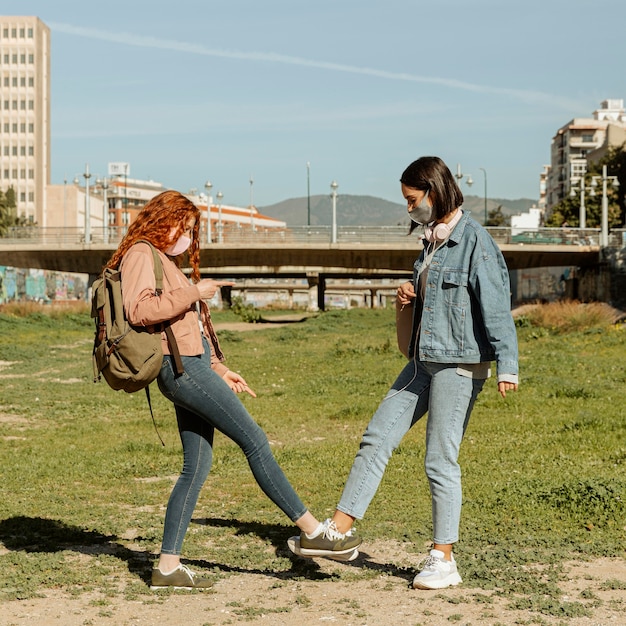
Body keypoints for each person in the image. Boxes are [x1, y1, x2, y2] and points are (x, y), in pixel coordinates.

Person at [106, 190, 361, 589]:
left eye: (191, 230)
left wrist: (219, 368)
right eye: (183, 226)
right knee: (255, 441)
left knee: (196, 467)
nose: (186, 236)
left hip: (191, 367)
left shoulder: (164, 260)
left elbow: (185, 330)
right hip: (182, 371)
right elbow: (140, 310)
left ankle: (167, 568)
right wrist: (195, 291)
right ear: (161, 219)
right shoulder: (142, 254)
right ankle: (313, 532)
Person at [289, 156, 519, 589]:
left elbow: (496, 308)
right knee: (376, 437)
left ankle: (443, 558)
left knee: (439, 459)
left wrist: (508, 365)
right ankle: (338, 532)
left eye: (413, 200)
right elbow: (424, 318)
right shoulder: (431, 243)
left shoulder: (476, 242)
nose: (410, 209)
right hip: (421, 361)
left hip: (459, 364)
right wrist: (407, 298)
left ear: (435, 191)